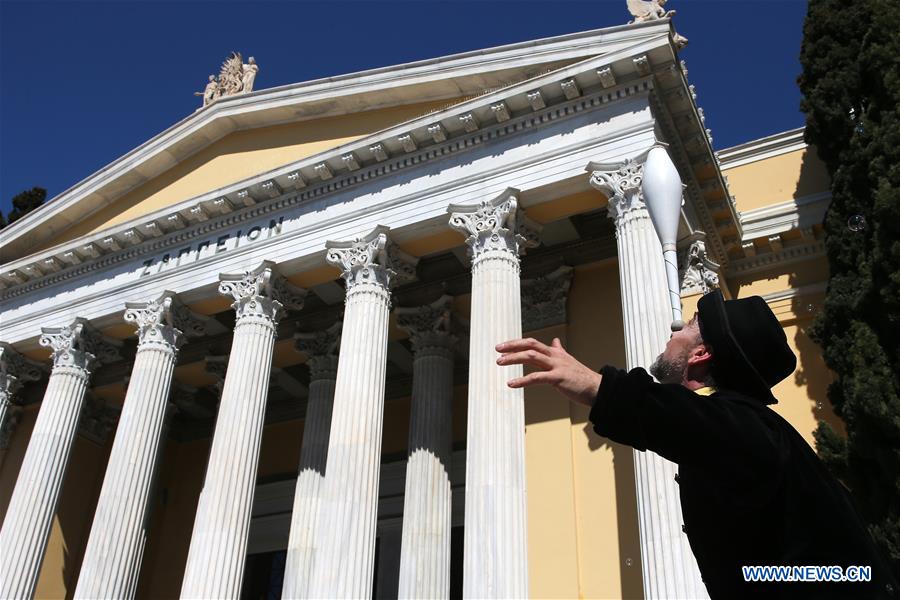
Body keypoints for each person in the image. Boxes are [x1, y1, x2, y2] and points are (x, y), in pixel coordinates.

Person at [496, 289, 897, 599]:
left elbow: (684, 421)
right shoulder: (747, 431)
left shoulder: (748, 427)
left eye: (689, 325)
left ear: (702, 352)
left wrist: (598, 387)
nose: (675, 329)